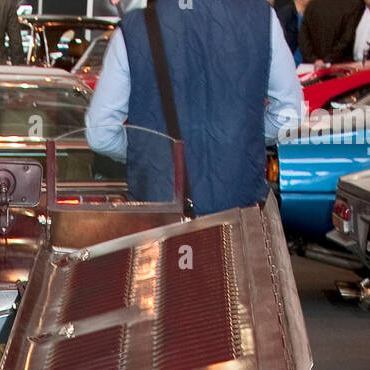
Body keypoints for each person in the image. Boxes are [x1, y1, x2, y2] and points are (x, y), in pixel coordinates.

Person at [87, 0, 301, 216]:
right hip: (240, 213)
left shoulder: (134, 27)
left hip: (160, 218)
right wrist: (239, 140)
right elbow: (289, 116)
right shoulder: (263, 18)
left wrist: (150, 151)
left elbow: (100, 134)